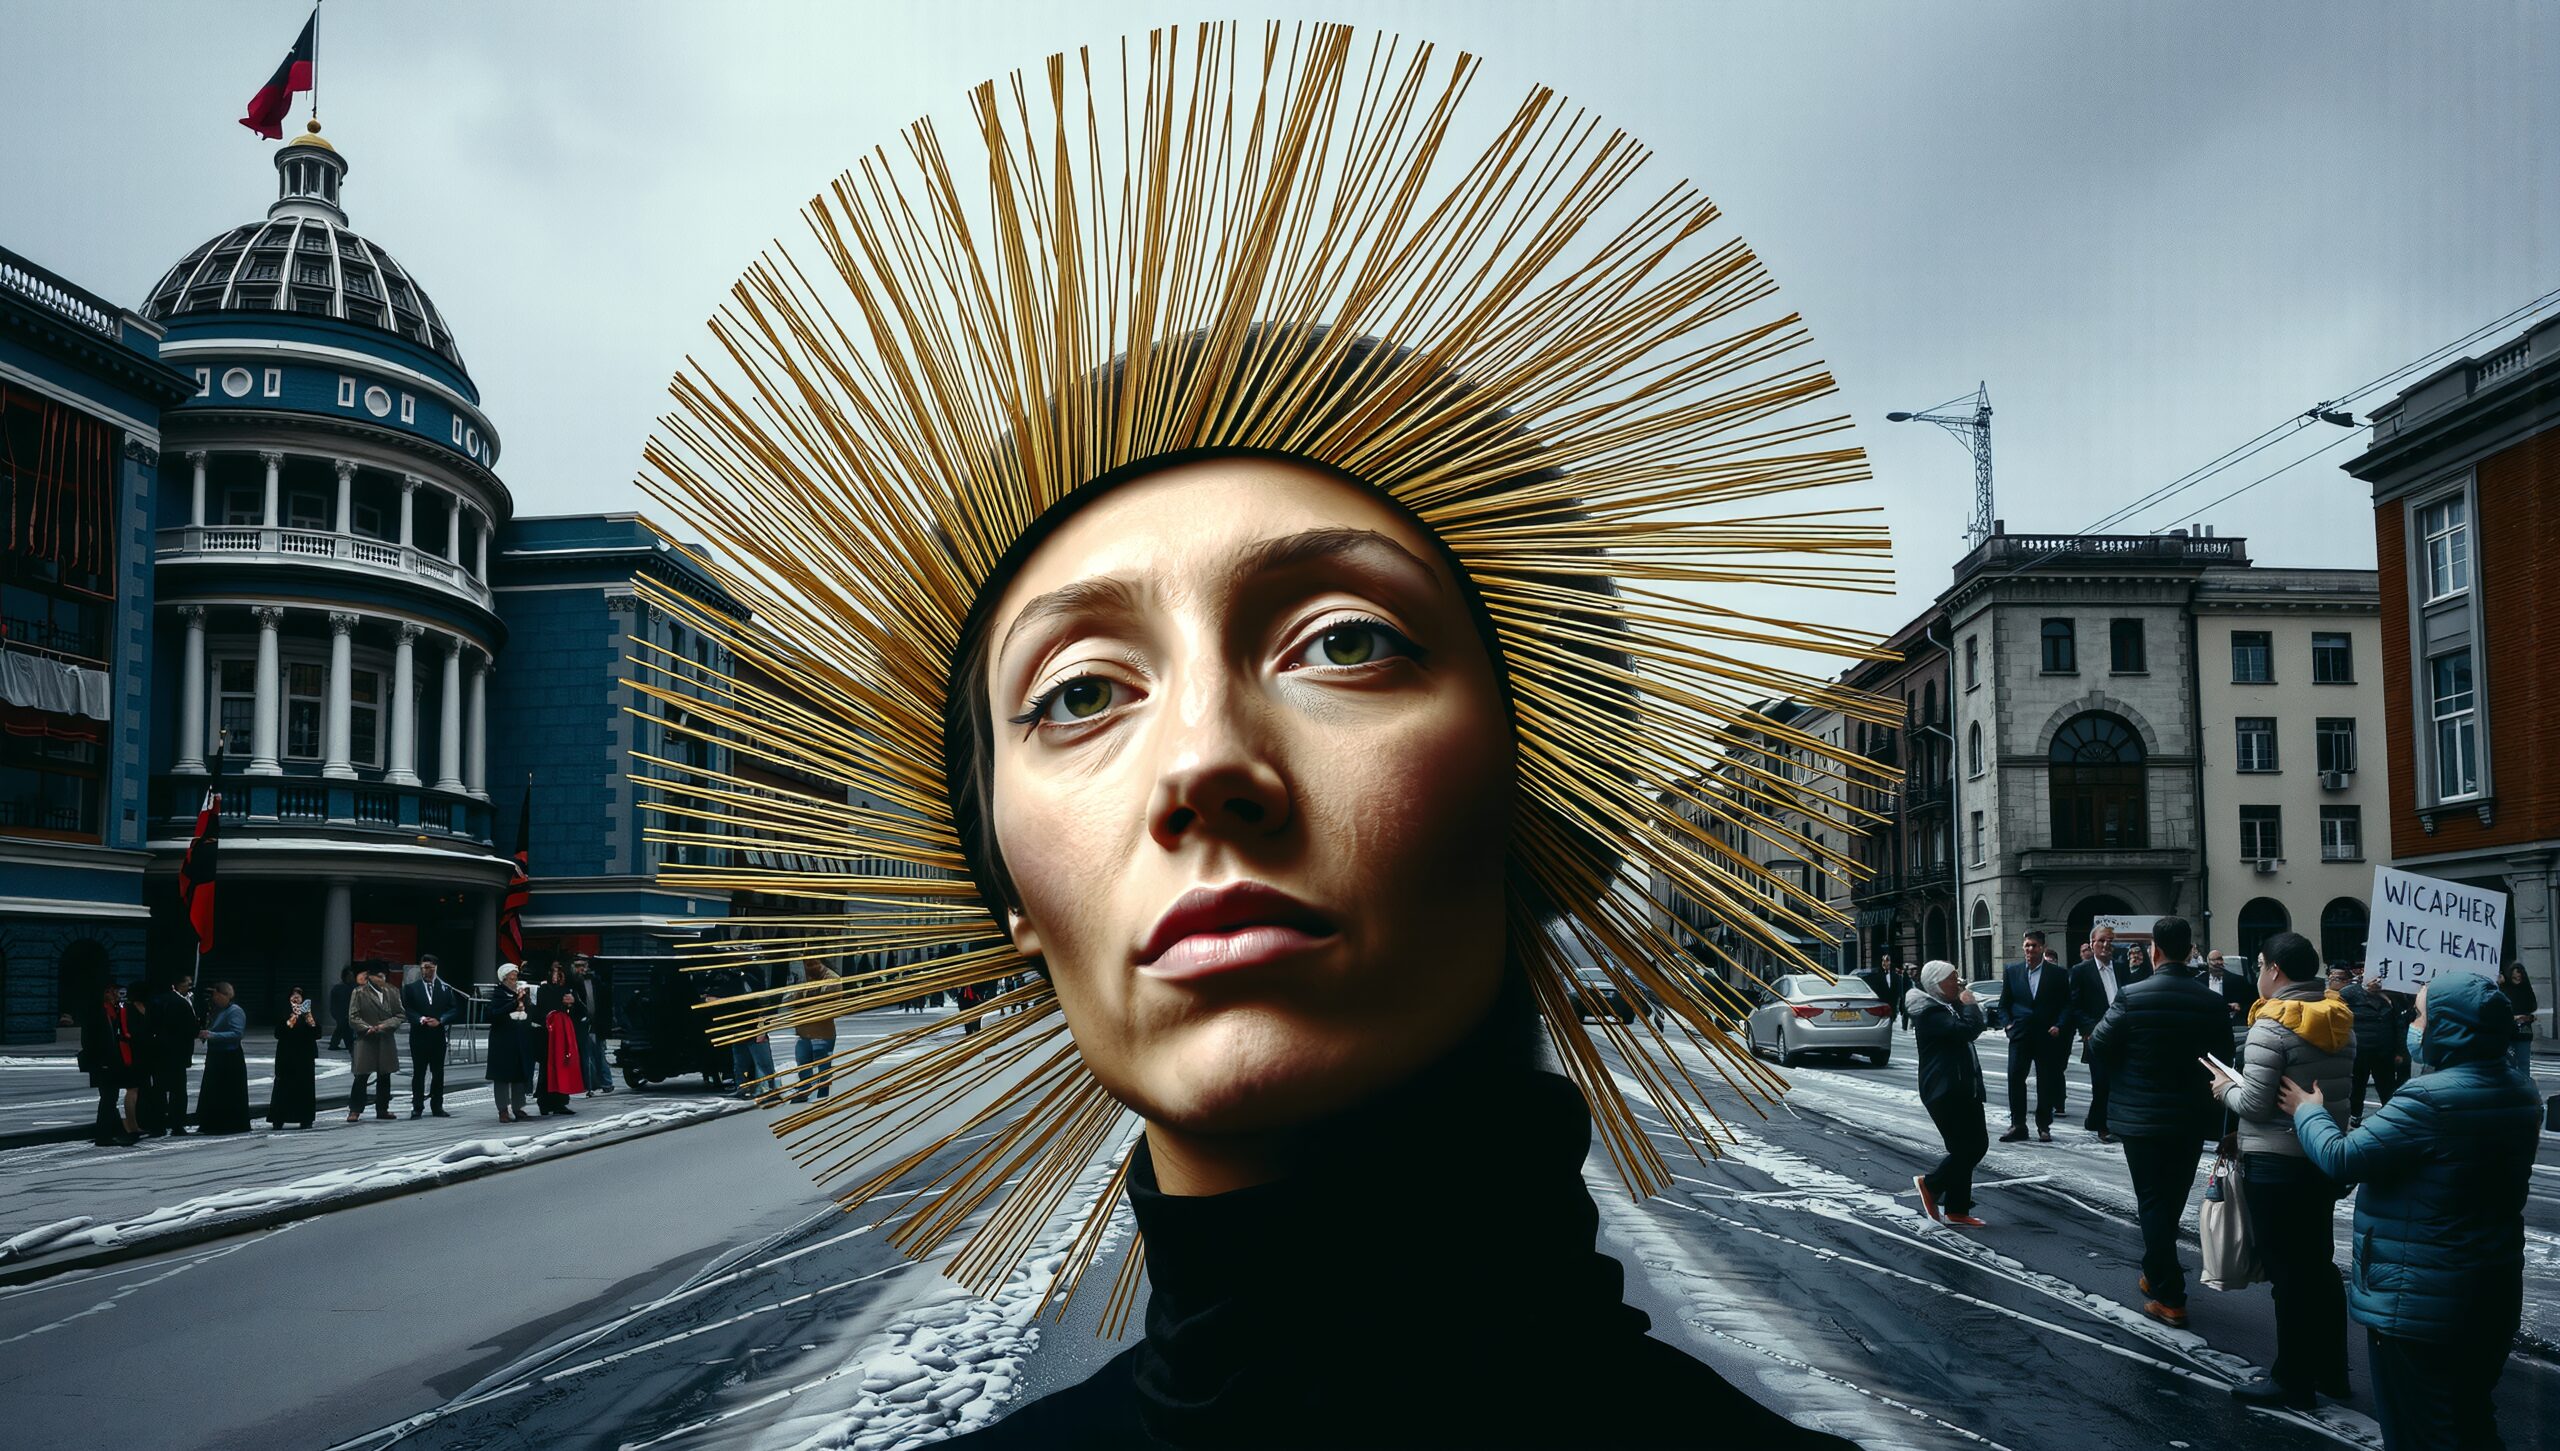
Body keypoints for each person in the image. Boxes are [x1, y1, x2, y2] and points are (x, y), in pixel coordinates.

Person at [2278, 971, 2539, 1451]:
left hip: (2420, 1296)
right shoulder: (2520, 1091)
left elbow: (2342, 1158)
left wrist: (2308, 1110)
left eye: (2419, 1015)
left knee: (2419, 1428)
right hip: (2491, 1285)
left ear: (2451, 1028)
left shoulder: (2428, 1099)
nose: (2412, 1024)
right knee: (2470, 1418)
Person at [2205, 930, 2354, 1409]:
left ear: (2273, 969)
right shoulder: (2337, 1019)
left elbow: (2254, 1101)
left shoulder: (2271, 1025)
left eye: (2262, 966)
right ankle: (2332, 1370)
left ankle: (2292, 1379)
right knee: (2318, 1268)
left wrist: (2224, 1088)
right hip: (2322, 1155)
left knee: (2288, 1276)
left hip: (2275, 1163)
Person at [2084, 915, 2231, 1329]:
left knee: (2152, 1201)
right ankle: (2157, 1271)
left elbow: (2098, 1045)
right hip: (2190, 1116)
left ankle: (2171, 1295)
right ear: (2190, 951)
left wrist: (2125, 1070)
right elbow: (2224, 1063)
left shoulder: (2132, 995)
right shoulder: (2211, 1001)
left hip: (2142, 1116)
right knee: (2170, 1200)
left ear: (2155, 951)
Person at [1907, 960, 1989, 1228]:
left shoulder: (1945, 1008)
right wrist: (1970, 1004)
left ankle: (1956, 1208)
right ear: (1937, 984)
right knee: (1969, 1147)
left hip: (1964, 1087)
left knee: (1969, 1146)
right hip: (1945, 1090)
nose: (1959, 983)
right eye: (1953, 978)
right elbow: (1968, 1030)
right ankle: (1931, 1185)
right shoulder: (1930, 1013)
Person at [2072, 923, 2149, 1142]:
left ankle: (2100, 1119)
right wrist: (2088, 1029)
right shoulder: (2081, 971)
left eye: (2110, 941)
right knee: (2101, 1082)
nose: (2106, 945)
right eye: (2102, 941)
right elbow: (2075, 1005)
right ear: (2092, 944)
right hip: (2096, 1035)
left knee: (2120, 1081)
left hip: (2121, 1035)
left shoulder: (2121, 968)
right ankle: (2103, 1126)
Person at [1998, 930, 2075, 1142]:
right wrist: (2008, 1025)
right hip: (2020, 1034)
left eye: (2034, 946)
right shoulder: (2012, 971)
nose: (2029, 949)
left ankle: (2044, 1126)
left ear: (2042, 948)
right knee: (2015, 1078)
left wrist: (2059, 1025)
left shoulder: (2057, 974)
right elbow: (2004, 1004)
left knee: (2046, 1081)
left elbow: (2067, 1005)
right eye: (2027, 946)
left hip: (2046, 1035)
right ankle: (2018, 1125)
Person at [79, 981, 144, 1147]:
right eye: (111, 992)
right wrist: (100, 1061)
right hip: (103, 1063)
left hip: (114, 1061)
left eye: (116, 991)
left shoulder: (114, 1010)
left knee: (110, 1098)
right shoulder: (96, 1011)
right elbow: (90, 1040)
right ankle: (103, 1135)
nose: (115, 995)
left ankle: (113, 1131)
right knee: (108, 1098)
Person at [2345, 971, 2410, 1126]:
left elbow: (2400, 1025)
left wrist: (2400, 1051)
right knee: (2356, 1087)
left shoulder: (2394, 997)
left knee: (2387, 1087)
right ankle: (2355, 1116)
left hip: (2384, 1053)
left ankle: (2391, 1118)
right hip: (2359, 1052)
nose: (2375, 981)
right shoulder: (2349, 993)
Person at [402, 954, 461, 1118]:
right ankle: (417, 1106)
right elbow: (407, 1009)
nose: (425, 971)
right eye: (422, 967)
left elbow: (454, 1009)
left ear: (435, 968)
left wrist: (441, 1020)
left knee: (438, 1072)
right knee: (419, 1073)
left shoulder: (445, 988)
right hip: (419, 1035)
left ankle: (437, 1105)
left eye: (429, 967)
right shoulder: (411, 988)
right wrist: (420, 1019)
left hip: (437, 1035)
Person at [141, 972, 198, 1136]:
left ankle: (157, 1125)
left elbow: (148, 1026)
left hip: (158, 1052)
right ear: (178, 985)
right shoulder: (182, 1003)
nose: (190, 987)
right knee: (178, 1091)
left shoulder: (155, 1001)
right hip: (177, 1054)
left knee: (158, 1090)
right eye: (188, 984)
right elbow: (192, 1029)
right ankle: (177, 1124)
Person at [345, 961, 401, 1123]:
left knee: (385, 1075)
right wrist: (365, 1028)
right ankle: (355, 1109)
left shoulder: (393, 992)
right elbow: (353, 1016)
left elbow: (400, 1015)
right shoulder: (359, 992)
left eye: (383, 976)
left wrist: (385, 1026)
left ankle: (382, 1108)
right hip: (366, 1038)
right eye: (378, 976)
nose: (380, 979)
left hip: (385, 1037)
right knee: (362, 1076)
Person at [194, 981, 252, 1135]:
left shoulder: (235, 1011)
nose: (214, 998)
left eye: (215, 995)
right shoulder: (218, 1011)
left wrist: (212, 1035)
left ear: (223, 994)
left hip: (229, 1057)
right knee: (213, 1091)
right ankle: (212, 1123)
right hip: (217, 1055)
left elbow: (237, 1033)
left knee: (227, 1092)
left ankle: (229, 1124)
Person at [486, 964, 537, 1122]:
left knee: (519, 1074)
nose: (515, 977)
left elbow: (530, 1011)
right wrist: (514, 1003)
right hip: (502, 1041)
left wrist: (526, 1003)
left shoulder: (521, 992)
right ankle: (502, 1109)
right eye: (511, 975)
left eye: (516, 974)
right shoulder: (498, 994)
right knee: (502, 1076)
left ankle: (518, 1107)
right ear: (504, 977)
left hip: (519, 1038)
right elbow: (493, 1015)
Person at [536, 960, 588, 1115]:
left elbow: (582, 1011)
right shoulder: (544, 990)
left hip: (565, 1034)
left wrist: (573, 1003)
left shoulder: (570, 989)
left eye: (560, 972)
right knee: (548, 1068)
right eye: (554, 972)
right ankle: (545, 1101)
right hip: (549, 1035)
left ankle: (560, 1101)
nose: (557, 976)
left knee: (564, 1065)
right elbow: (540, 1012)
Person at [789, 960, 845, 1103]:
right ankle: (804, 1091)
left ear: (820, 962)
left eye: (812, 964)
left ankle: (823, 1094)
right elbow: (795, 1002)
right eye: (807, 964)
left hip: (822, 1032)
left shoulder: (832, 979)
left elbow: (833, 1007)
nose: (809, 968)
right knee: (803, 1063)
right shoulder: (805, 979)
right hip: (804, 1031)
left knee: (823, 1067)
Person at [268, 987, 319, 1130]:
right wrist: (294, 1016)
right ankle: (278, 1118)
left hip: (305, 1057)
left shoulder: (309, 1013)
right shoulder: (283, 1013)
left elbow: (317, 1032)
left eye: (299, 997)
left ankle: (305, 1118)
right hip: (286, 1055)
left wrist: (308, 1017)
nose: (296, 1000)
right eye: (293, 997)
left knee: (305, 1088)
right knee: (283, 1086)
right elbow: (279, 1032)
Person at [570, 957, 616, 1095]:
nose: (581, 969)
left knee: (598, 1053)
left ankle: (605, 1082)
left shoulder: (595, 982)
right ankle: (592, 1085)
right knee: (587, 1055)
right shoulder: (574, 983)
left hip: (595, 1022)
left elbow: (602, 1002)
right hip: (582, 1022)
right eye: (578, 965)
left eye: (583, 965)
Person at [2499, 961, 2538, 1081]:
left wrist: (2528, 1017)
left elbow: (2532, 1007)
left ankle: (2524, 1085)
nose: (2517, 978)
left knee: (2523, 1062)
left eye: (2519, 976)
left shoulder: (2525, 989)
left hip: (2523, 1030)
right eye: (2515, 976)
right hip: (2507, 1030)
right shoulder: (2503, 989)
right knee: (2508, 1062)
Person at [2202, 948, 2253, 1026]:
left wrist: (2240, 1006)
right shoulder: (2199, 981)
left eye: (2220, 959)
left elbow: (2250, 1003)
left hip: (2230, 1022)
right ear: (2208, 962)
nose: (2218, 962)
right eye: (2214, 960)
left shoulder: (2237, 980)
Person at [327, 963, 357, 1052]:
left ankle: (345, 1044)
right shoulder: (339, 988)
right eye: (350, 976)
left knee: (344, 1028)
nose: (352, 978)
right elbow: (337, 1003)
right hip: (341, 1013)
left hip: (346, 1013)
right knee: (342, 1028)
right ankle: (339, 1044)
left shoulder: (352, 987)